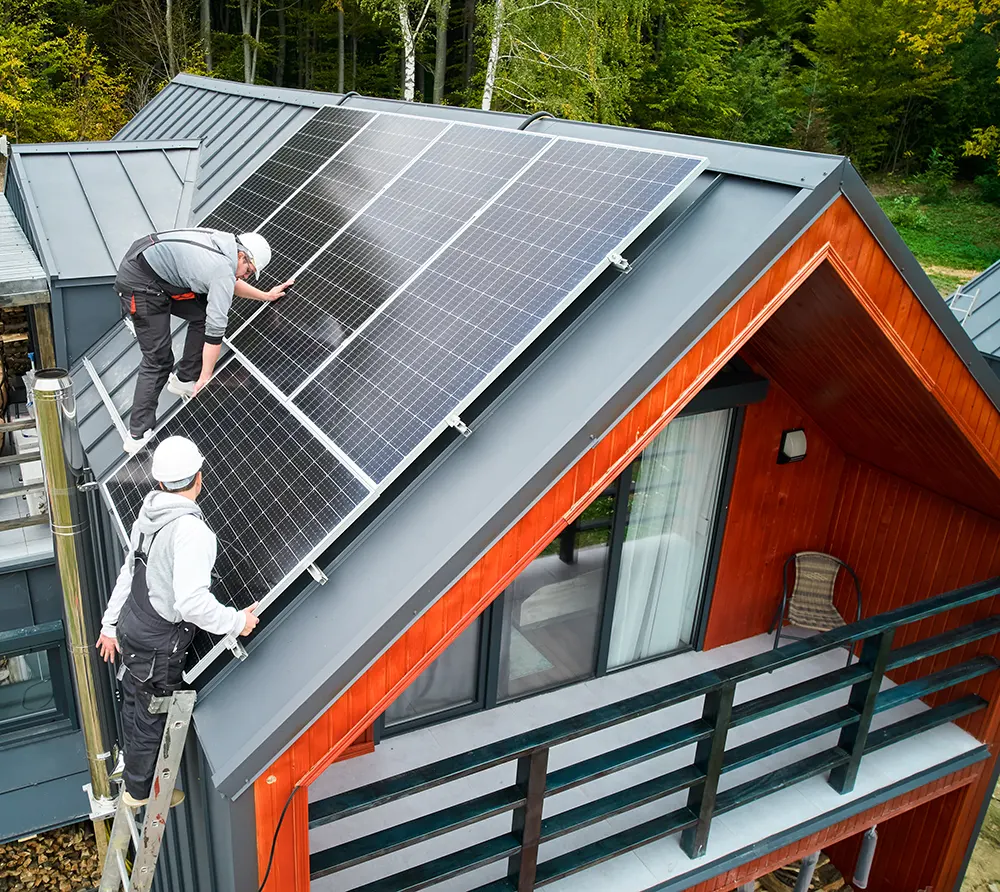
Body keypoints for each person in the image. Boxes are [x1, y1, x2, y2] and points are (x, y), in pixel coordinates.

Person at [96, 436, 259, 808]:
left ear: (160, 483)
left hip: (132, 623)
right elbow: (191, 603)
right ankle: (138, 792)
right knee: (152, 716)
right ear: (199, 478)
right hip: (157, 641)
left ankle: (133, 774)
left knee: (135, 703)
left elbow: (130, 569)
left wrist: (109, 625)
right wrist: (236, 621)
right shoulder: (191, 532)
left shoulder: (150, 510)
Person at [115, 228, 294, 453]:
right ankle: (137, 434)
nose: (246, 276)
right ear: (241, 256)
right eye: (248, 270)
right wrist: (205, 376)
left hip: (154, 270)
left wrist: (265, 295)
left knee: (201, 312)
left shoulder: (225, 245)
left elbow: (228, 283)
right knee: (158, 360)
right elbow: (216, 328)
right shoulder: (221, 267)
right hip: (139, 283)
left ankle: (184, 379)